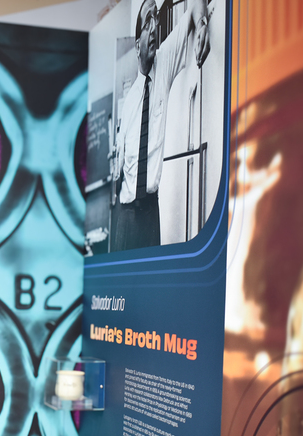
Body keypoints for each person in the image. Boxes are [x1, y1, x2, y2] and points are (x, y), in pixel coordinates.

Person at [111, 0, 210, 251]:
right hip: (125, 215)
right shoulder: (131, 98)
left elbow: (195, 5)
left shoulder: (163, 62)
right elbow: (121, 164)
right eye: (148, 22)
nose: (154, 27)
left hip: (149, 214)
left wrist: (201, 25)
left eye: (156, 18)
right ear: (137, 45)